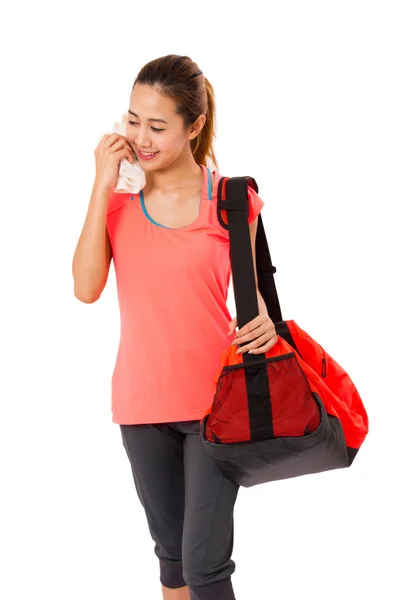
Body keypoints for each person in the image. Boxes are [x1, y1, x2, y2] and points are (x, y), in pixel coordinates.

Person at [72, 54, 277, 600]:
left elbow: (253, 306)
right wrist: (101, 182)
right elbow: (86, 288)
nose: (141, 136)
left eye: (157, 126)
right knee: (172, 563)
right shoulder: (115, 202)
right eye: (133, 119)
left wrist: (265, 330)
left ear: (194, 127)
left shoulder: (233, 201)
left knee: (205, 565)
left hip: (216, 407)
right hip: (140, 407)